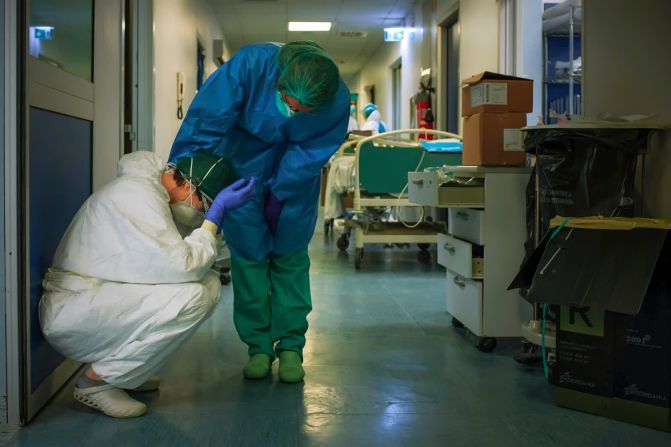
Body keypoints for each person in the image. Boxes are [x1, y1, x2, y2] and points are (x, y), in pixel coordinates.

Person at [169, 41, 350, 383]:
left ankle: (292, 346)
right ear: (278, 83)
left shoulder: (336, 99)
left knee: (290, 256)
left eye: (303, 111)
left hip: (296, 178)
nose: (292, 113)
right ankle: (259, 347)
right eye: (287, 103)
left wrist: (281, 192)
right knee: (249, 257)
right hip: (241, 162)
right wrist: (186, 171)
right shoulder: (253, 65)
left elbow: (312, 151)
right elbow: (208, 117)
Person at [39, 151, 255, 418]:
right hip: (71, 309)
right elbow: (183, 265)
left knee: (207, 284)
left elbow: (188, 254)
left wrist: (214, 222)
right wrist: (213, 221)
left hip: (93, 296)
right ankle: (96, 382)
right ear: (188, 186)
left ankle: (125, 371)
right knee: (195, 296)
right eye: (205, 205)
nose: (202, 213)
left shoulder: (155, 195)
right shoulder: (138, 197)